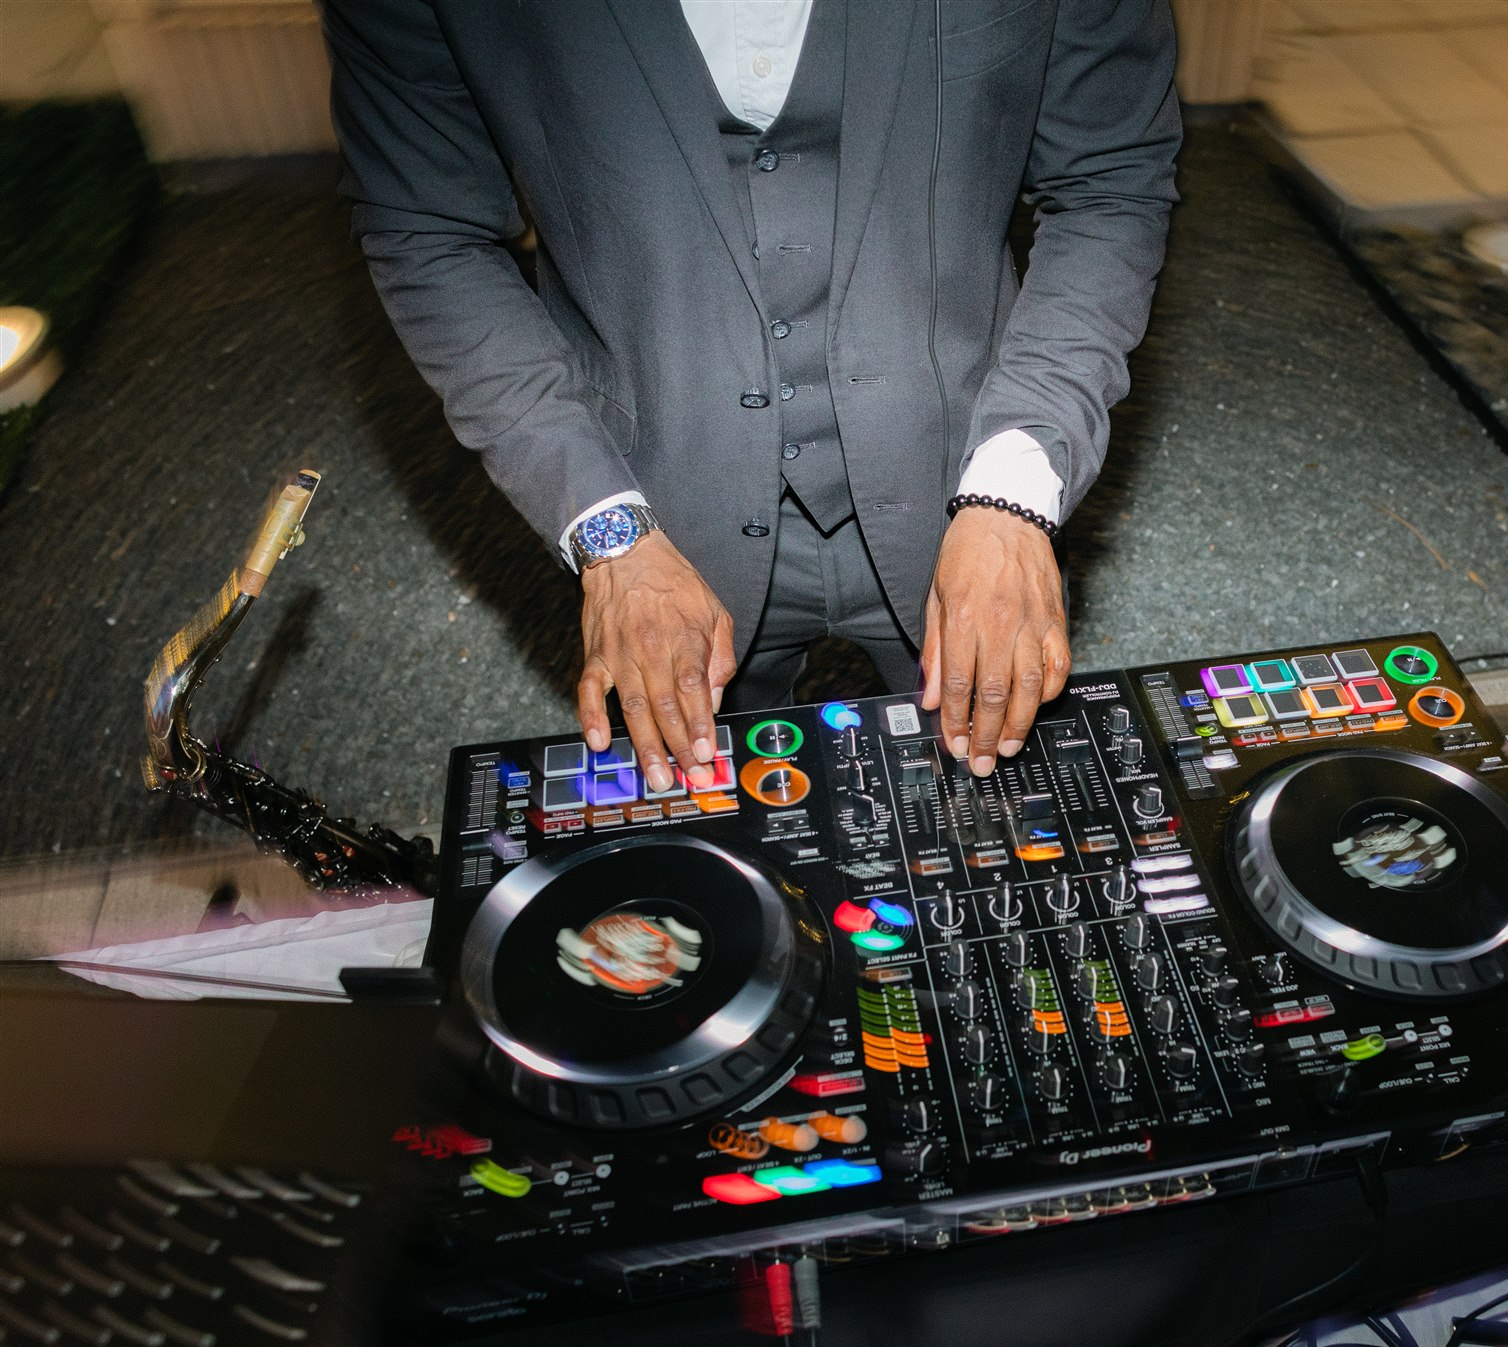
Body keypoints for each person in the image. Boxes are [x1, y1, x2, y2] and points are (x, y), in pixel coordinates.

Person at [323, 0, 1180, 794]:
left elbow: (1111, 180)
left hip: (962, 466)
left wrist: (1016, 488)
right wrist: (605, 525)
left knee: (1007, 841)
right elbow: (428, 230)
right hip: (659, 496)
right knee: (716, 880)